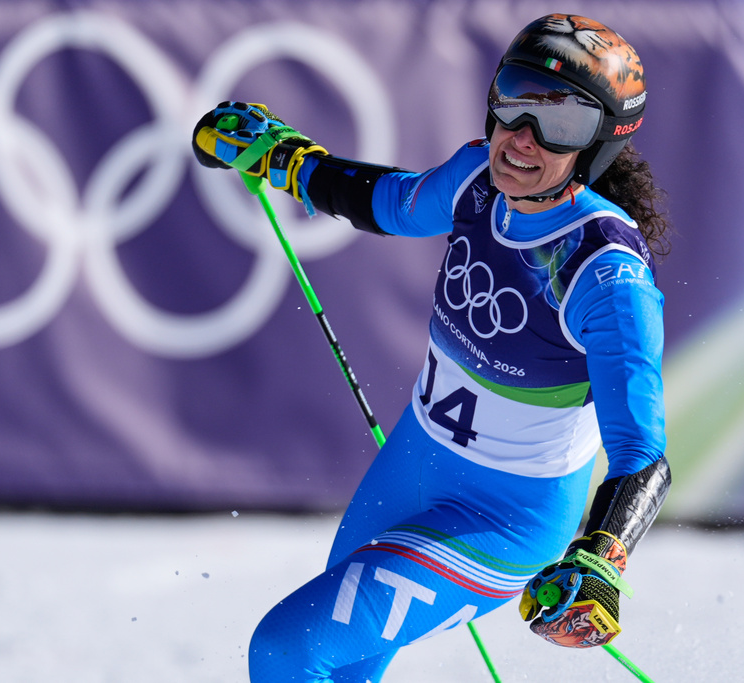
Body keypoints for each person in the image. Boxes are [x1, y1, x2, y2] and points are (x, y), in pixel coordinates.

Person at [192, 13, 671, 682]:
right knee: (342, 666)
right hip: (411, 468)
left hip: (502, 522)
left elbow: (643, 454)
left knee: (287, 648)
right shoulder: (477, 177)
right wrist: (286, 159)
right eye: (515, 100)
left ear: (597, 145)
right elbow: (389, 203)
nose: (522, 138)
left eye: (559, 123)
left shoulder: (605, 273)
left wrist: (600, 558)